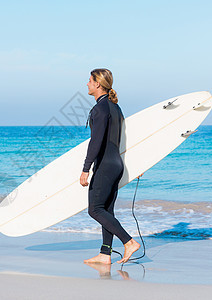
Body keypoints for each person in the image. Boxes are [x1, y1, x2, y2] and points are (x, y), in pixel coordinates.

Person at [80, 68, 140, 264]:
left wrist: (86, 168)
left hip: (105, 165)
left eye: (89, 80)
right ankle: (105, 254)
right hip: (116, 165)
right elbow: (122, 141)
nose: (87, 84)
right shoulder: (115, 108)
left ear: (98, 84)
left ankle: (128, 241)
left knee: (95, 209)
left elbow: (95, 142)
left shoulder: (100, 109)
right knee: (106, 210)